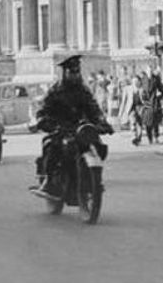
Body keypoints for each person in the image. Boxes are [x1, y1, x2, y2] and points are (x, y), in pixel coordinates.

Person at [32, 55, 112, 198]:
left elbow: (94, 108)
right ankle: (49, 182)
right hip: (61, 128)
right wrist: (44, 121)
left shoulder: (84, 91)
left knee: (98, 145)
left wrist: (102, 123)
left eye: (77, 72)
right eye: (71, 72)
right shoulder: (55, 91)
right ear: (65, 73)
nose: (75, 75)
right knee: (53, 148)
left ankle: (94, 180)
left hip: (80, 128)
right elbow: (43, 109)